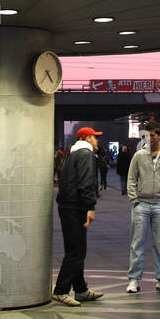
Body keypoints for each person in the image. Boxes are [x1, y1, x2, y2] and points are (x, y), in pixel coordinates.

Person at [53, 128, 103, 306]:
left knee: (73, 248)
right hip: (76, 207)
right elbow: (86, 181)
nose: (97, 141)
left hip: (66, 206)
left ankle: (80, 289)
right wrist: (90, 206)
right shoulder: (86, 154)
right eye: (95, 138)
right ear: (88, 138)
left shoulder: (71, 154)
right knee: (77, 251)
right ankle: (61, 290)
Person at [126, 123, 160, 294]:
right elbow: (131, 179)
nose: (149, 138)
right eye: (147, 135)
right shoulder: (139, 156)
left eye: (152, 135)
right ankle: (134, 279)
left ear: (159, 136)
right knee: (137, 244)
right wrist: (134, 201)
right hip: (141, 204)